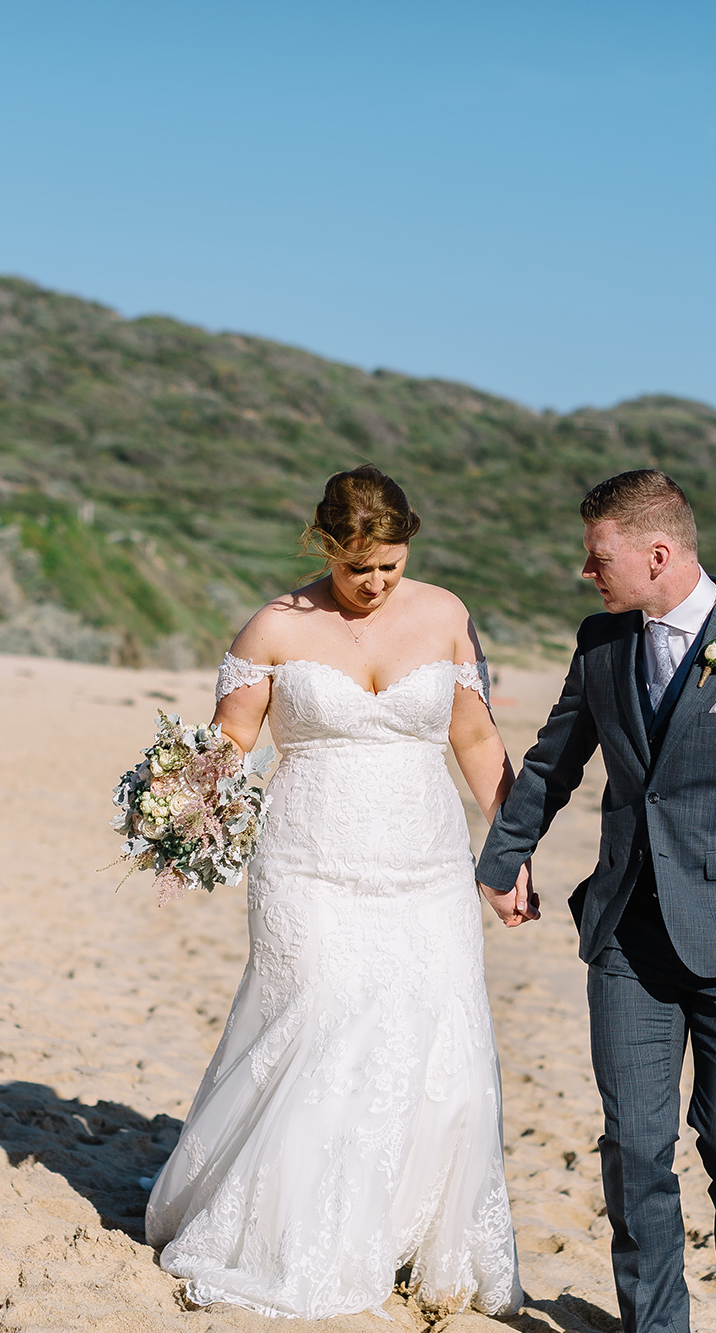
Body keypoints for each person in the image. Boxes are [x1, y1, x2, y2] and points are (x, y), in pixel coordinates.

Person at [476, 469, 716, 1333]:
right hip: (626, 936)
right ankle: (658, 1324)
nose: (587, 572)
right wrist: (504, 858)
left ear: (658, 552)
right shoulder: (602, 641)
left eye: (598, 556)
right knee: (636, 1146)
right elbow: (554, 760)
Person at [146, 464, 531, 1319]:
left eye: (390, 565)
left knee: (442, 1046)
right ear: (325, 543)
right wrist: (174, 810)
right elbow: (232, 741)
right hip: (308, 863)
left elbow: (474, 737)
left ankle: (403, 1234)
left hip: (427, 865)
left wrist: (509, 853)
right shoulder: (274, 627)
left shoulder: (444, 614)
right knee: (320, 1024)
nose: (376, 583)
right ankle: (297, 1239)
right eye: (360, 567)